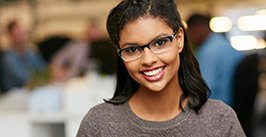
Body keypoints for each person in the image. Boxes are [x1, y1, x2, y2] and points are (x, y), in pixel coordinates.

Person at [77, 0, 245, 136]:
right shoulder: (98, 125)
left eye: (160, 42)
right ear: (120, 54)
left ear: (179, 39)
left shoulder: (220, 119)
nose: (148, 60)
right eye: (132, 49)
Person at [186, 14, 244, 106]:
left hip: (220, 106)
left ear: (198, 29)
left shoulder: (208, 51)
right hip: (236, 105)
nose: (190, 38)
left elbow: (204, 90)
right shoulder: (224, 43)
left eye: (189, 32)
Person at [0, 20, 45, 92]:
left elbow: (43, 69)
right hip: (14, 94)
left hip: (31, 90)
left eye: (22, 33)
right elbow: (23, 78)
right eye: (17, 34)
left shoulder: (30, 52)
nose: (21, 37)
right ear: (11, 36)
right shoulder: (7, 58)